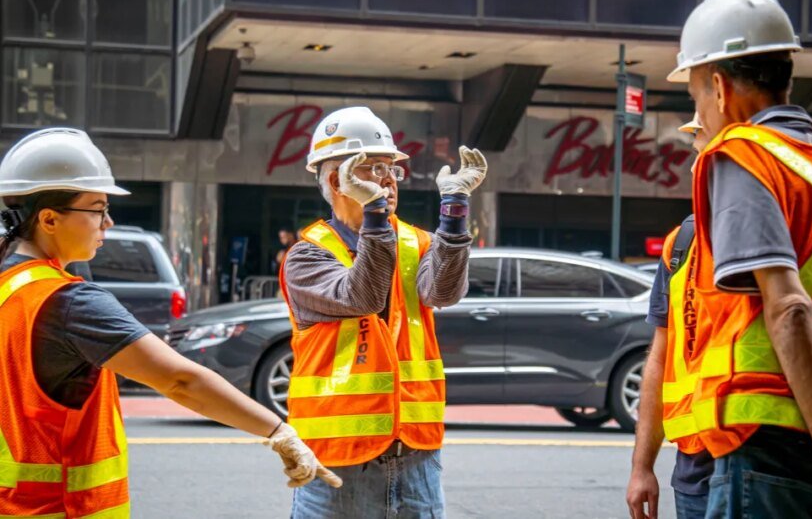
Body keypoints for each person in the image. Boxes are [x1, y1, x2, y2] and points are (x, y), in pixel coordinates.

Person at [0, 128, 341, 518]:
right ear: (48, 219)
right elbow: (181, 380)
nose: (107, 222)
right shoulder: (66, 301)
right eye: (97, 208)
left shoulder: (9, 284)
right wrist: (279, 432)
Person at [670, 0, 812, 517]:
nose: (701, 116)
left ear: (717, 86)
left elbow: (789, 307)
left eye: (695, 96)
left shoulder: (741, 155)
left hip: (773, 443)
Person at [280, 106, 487, 518]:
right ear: (337, 179)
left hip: (416, 454)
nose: (389, 179)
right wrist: (375, 214)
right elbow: (364, 295)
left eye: (392, 168)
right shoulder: (307, 256)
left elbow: (444, 291)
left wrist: (455, 211)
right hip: (337, 461)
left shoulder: (416, 241)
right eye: (373, 168)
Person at [627, 114, 715, 519]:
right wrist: (642, 467)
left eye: (704, 149)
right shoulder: (682, 244)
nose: (696, 166)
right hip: (695, 465)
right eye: (697, 153)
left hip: (763, 455)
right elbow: (660, 357)